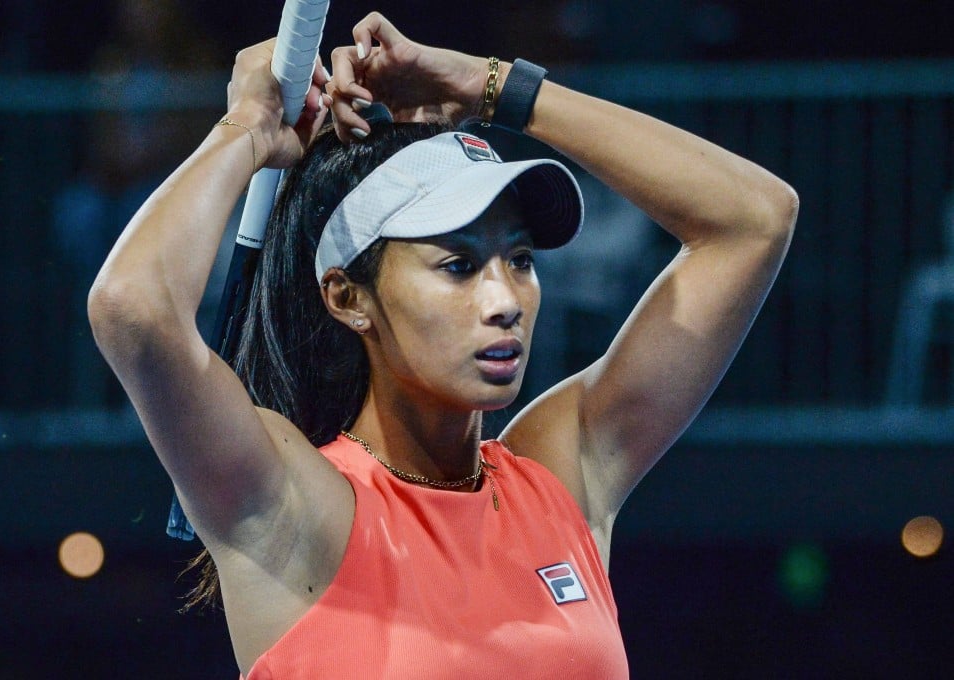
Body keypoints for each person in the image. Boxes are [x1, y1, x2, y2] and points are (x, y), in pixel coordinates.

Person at [88, 11, 798, 678]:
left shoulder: (558, 477)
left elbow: (754, 219)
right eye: (457, 266)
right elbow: (132, 309)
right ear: (347, 296)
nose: (504, 302)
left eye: (519, 260)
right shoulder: (293, 505)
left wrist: (492, 86)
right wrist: (246, 128)